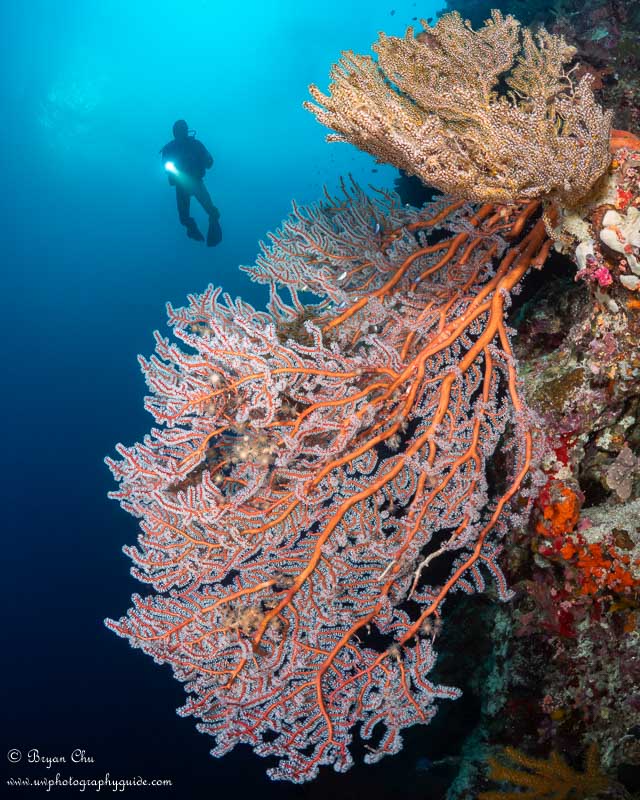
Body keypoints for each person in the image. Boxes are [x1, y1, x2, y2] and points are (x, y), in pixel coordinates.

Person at [160, 120, 222, 246]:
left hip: (195, 182)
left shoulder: (195, 145)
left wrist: (207, 160)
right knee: (185, 217)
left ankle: (208, 230)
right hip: (183, 183)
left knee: (208, 211)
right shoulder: (170, 148)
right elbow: (166, 167)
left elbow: (209, 161)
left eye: (182, 131)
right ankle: (194, 230)